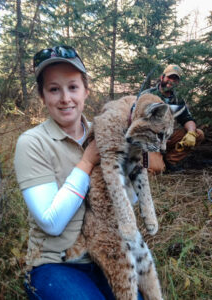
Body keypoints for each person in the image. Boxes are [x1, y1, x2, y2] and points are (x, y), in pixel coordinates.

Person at [14, 45, 144, 300]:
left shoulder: (104, 133)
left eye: (73, 87)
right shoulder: (32, 143)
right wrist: (87, 161)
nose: (65, 98)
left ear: (86, 90)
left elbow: (130, 202)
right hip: (54, 264)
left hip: (106, 257)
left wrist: (130, 164)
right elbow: (52, 223)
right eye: (54, 89)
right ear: (43, 96)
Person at [141, 64, 204, 174]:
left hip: (167, 137)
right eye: (169, 77)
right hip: (151, 139)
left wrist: (191, 133)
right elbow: (137, 121)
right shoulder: (147, 95)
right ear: (162, 77)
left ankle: (170, 161)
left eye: (175, 79)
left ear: (178, 82)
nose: (171, 81)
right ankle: (153, 160)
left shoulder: (178, 99)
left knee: (198, 134)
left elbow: (187, 118)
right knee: (156, 169)